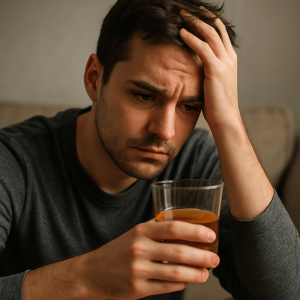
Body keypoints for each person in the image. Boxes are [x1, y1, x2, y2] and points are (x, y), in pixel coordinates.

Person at [0, 0, 299, 299]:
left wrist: (229, 120)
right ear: (94, 78)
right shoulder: (11, 161)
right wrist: (88, 278)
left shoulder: (196, 164)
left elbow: (286, 292)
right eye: (144, 96)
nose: (165, 131)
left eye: (188, 106)